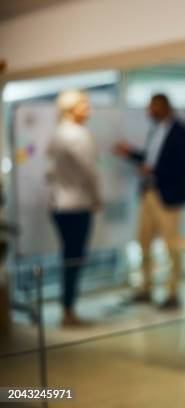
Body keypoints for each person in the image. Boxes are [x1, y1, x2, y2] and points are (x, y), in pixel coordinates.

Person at [114, 94, 185, 310]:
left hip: (168, 196)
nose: (150, 111)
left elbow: (182, 165)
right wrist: (130, 154)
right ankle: (145, 288)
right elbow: (151, 159)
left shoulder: (180, 131)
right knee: (143, 241)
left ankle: (173, 293)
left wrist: (154, 170)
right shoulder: (155, 130)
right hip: (149, 193)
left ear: (164, 106)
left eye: (153, 107)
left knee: (171, 245)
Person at [47, 89, 101, 327]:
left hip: (58, 203)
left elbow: (49, 171)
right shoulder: (78, 135)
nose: (88, 110)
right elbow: (89, 171)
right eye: (84, 105)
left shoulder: (57, 134)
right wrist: (97, 198)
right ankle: (68, 309)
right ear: (71, 109)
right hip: (76, 204)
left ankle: (67, 307)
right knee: (73, 258)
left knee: (69, 256)